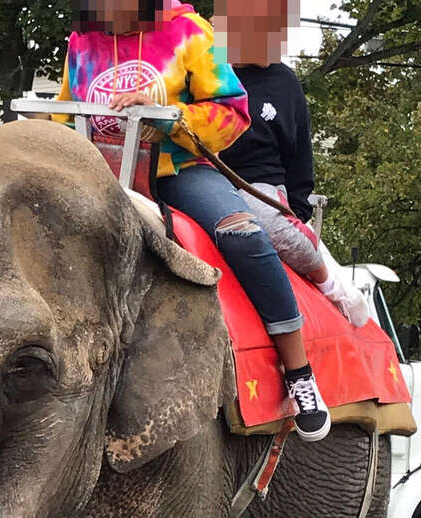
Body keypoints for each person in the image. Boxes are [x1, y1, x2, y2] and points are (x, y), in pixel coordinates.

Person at [55, 0, 331, 440]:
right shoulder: (82, 42)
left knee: (243, 234)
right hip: (99, 175)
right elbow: (63, 115)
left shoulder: (189, 31)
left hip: (178, 171)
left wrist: (171, 119)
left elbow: (234, 111)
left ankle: (298, 372)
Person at [216, 0, 369, 327]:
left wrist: (297, 211)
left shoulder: (285, 82)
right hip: (205, 176)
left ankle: (329, 281)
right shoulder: (207, 70)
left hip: (261, 188)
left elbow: (300, 157)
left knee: (266, 223)